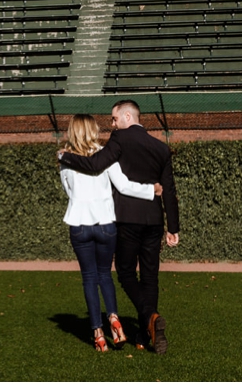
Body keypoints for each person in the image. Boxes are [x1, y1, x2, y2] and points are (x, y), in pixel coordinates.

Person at [58, 99, 179, 354]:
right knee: (140, 276)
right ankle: (136, 327)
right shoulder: (154, 149)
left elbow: (81, 179)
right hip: (131, 221)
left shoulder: (111, 143)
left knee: (109, 275)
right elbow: (145, 188)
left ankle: (120, 326)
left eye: (114, 119)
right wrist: (169, 221)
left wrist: (66, 156)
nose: (111, 125)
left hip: (102, 221)